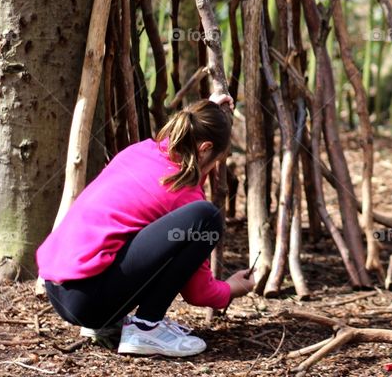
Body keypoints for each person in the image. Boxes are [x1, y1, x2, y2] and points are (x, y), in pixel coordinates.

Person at [36, 94, 255, 357]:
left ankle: (111, 324)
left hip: (58, 288)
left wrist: (206, 113)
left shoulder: (140, 151)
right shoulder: (183, 193)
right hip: (88, 301)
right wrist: (230, 289)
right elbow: (198, 293)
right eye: (216, 158)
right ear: (205, 148)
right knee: (206, 216)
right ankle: (146, 328)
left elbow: (184, 168)